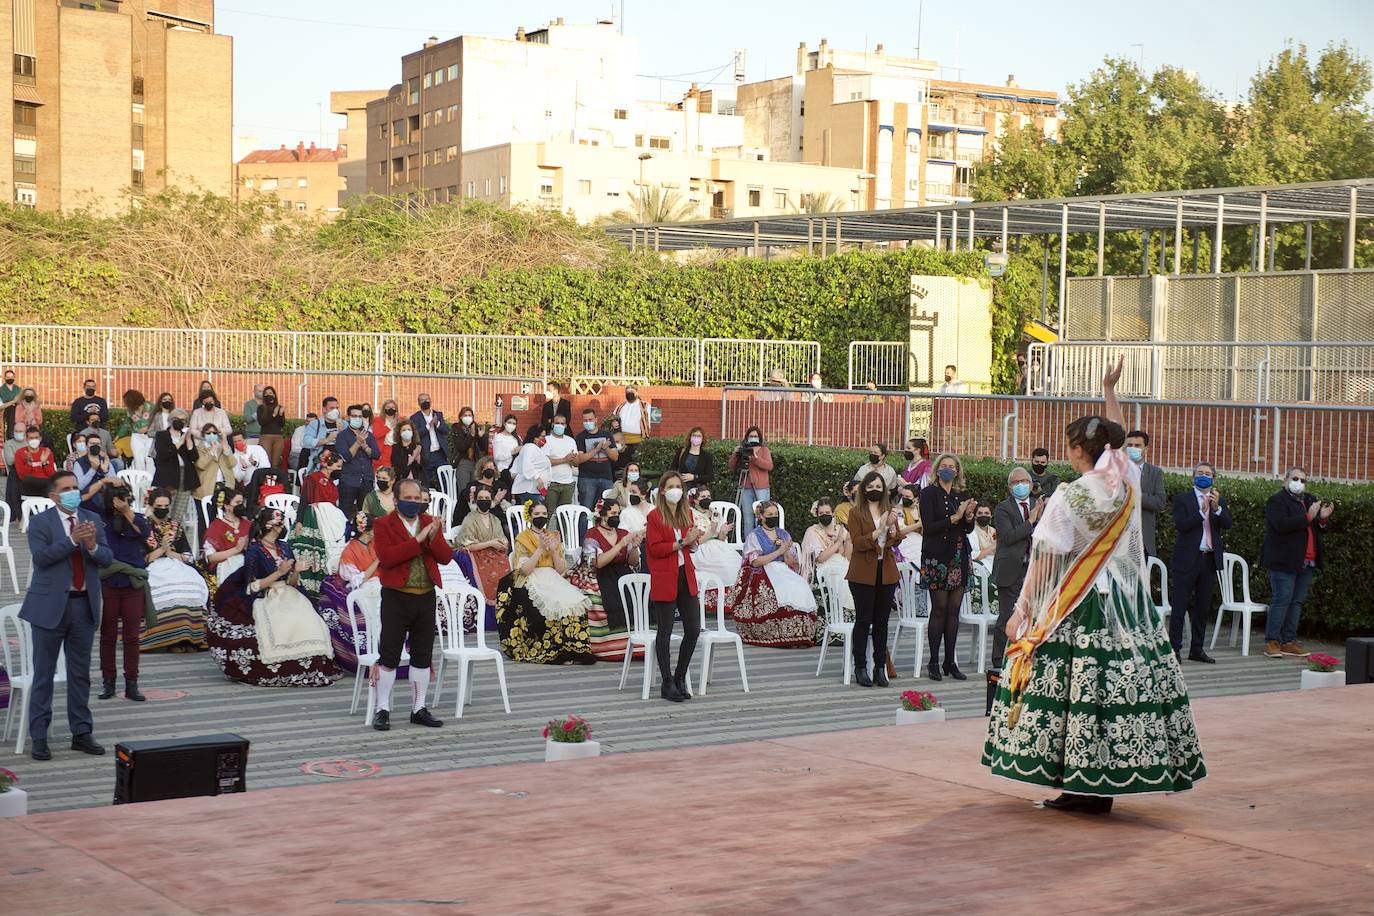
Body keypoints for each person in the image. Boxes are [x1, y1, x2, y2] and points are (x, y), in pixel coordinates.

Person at [984, 357, 1206, 813]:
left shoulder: (1070, 495)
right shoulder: (1124, 478)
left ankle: (1076, 784)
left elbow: (1045, 562)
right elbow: (1118, 435)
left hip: (1079, 602)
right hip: (1127, 602)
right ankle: (1101, 787)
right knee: (1118, 687)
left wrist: (1022, 611)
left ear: (1076, 451)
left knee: (1073, 692)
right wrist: (1109, 390)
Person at [20, 471, 113, 760]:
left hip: (83, 605)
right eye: (67, 488)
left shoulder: (92, 518)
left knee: (80, 674)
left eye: (76, 487)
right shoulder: (40, 522)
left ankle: (82, 733)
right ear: (54, 496)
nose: (74, 492)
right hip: (49, 606)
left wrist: (92, 546)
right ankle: (39, 737)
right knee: (44, 674)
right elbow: (41, 559)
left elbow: (107, 558)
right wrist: (72, 541)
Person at [206, 506, 339, 688]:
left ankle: (311, 665)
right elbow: (251, 586)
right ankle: (285, 666)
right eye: (279, 522)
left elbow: (292, 582)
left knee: (309, 620)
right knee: (282, 624)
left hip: (289, 592)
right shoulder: (255, 550)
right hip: (266, 595)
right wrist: (279, 573)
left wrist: (296, 571)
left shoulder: (284, 546)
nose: (282, 526)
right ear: (269, 525)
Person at [369, 479, 450, 728]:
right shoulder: (383, 524)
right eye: (409, 498)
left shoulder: (428, 523)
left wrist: (434, 537)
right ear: (395, 499)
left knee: (422, 655)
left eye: (418, 499)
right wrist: (419, 540)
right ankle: (382, 708)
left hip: (425, 596)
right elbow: (388, 558)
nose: (414, 502)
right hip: (396, 596)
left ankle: (419, 708)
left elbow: (445, 558)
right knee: (390, 655)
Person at [495, 500, 595, 665]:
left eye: (543, 514)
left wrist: (554, 550)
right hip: (532, 578)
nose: (541, 517)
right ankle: (555, 650)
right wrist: (541, 548)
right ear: (530, 516)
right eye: (537, 514)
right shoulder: (523, 538)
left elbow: (561, 569)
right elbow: (524, 570)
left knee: (572, 602)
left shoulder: (552, 535)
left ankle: (573, 648)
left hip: (552, 577)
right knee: (549, 606)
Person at [1260, 467, 1332, 660]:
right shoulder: (1277, 501)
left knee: (1296, 602)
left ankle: (1289, 641)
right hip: (1284, 561)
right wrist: (1309, 516)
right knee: (1281, 600)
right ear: (1285, 480)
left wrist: (1322, 519)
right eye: (1295, 478)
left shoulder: (1310, 499)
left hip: (1307, 561)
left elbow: (1318, 528)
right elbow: (1281, 525)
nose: (1299, 483)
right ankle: (1272, 641)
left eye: (1303, 480)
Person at [727, 499, 819, 648]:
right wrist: (779, 551)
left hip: (782, 568)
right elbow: (755, 562)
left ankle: (798, 633)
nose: (773, 517)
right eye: (769, 514)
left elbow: (791, 562)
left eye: (775, 514)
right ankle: (778, 633)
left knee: (799, 585)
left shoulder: (783, 534)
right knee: (780, 589)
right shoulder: (755, 535)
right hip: (763, 569)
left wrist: (787, 553)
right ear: (761, 517)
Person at [644, 472, 702, 701]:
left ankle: (680, 676)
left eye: (679, 486)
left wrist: (694, 542)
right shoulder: (655, 516)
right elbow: (655, 549)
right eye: (671, 486)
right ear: (662, 490)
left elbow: (691, 547)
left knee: (693, 629)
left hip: (684, 574)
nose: (676, 490)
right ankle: (667, 682)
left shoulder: (686, 513)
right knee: (665, 631)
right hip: (665, 575)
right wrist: (681, 543)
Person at [919, 452, 977, 681]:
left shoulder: (961, 495)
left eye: (951, 466)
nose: (947, 469)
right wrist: (956, 517)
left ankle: (950, 661)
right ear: (937, 469)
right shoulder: (928, 493)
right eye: (943, 465)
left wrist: (969, 517)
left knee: (954, 611)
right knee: (940, 608)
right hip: (937, 557)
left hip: (959, 555)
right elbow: (929, 526)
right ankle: (933, 660)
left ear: (957, 470)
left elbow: (968, 529)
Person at [1168, 461, 1231, 664]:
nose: (1203, 476)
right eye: (1200, 473)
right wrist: (1201, 512)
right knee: (1179, 606)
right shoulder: (1182, 499)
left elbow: (1228, 524)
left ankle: (1197, 649)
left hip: (1208, 559)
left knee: (1203, 607)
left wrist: (1216, 509)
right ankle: (1174, 649)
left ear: (1213, 478)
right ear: (1193, 477)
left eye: (1208, 473)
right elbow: (1181, 525)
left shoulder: (1218, 501)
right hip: (1186, 559)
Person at [95, 480, 151, 703]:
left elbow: (142, 533)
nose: (121, 501)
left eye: (125, 497)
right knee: (107, 635)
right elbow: (84, 497)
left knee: (131, 637)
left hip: (131, 583)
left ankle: (132, 684)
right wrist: (104, 482)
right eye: (117, 497)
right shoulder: (101, 519)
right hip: (109, 581)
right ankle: (108, 682)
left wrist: (127, 511)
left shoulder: (136, 517)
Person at [844, 472, 901, 687]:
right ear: (864, 489)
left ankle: (880, 667)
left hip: (886, 571)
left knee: (882, 622)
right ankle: (860, 666)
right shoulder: (856, 513)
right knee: (863, 620)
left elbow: (895, 542)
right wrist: (881, 529)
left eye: (879, 485)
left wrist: (893, 529)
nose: (875, 489)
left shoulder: (889, 511)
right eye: (871, 486)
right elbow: (858, 543)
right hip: (863, 573)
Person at [141, 488, 210, 653]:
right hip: (154, 566)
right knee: (168, 591)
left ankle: (191, 638)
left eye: (166, 505)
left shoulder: (174, 525)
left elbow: (186, 554)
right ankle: (171, 639)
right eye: (159, 505)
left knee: (192, 585)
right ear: (151, 505)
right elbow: (141, 558)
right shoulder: (143, 526)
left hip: (176, 563)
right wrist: (161, 550)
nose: (162, 509)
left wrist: (172, 553)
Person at [580, 497, 644, 662]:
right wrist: (621, 544)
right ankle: (612, 647)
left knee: (639, 593)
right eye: (613, 513)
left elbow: (633, 562)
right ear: (602, 515)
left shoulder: (623, 533)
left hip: (621, 571)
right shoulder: (591, 535)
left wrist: (635, 546)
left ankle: (640, 645)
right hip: (600, 573)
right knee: (610, 597)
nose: (617, 516)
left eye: (618, 513)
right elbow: (597, 563)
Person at [318, 510, 382, 672]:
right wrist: (378, 560)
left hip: (381, 584)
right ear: (366, 531)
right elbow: (356, 581)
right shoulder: (350, 550)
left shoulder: (376, 544)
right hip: (363, 588)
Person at [991, 468, 1043, 665]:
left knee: (1031, 616)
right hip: (1010, 569)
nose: (1020, 485)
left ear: (1031, 485)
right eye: (1015, 482)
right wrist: (1031, 521)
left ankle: (1025, 657)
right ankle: (998, 661)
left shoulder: (1037, 505)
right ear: (1010, 487)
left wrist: (1041, 518)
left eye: (1024, 481)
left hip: (1033, 569)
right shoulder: (1003, 508)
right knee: (1007, 617)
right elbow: (1008, 537)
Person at [455, 484, 511, 624]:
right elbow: (467, 545)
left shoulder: (495, 519)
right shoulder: (470, 518)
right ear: (476, 500)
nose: (484, 500)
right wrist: (490, 543)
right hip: (477, 553)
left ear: (491, 500)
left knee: (505, 570)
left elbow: (502, 540)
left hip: (494, 554)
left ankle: (504, 614)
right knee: (487, 575)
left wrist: (502, 545)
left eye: (486, 498)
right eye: (481, 498)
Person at [688, 486, 740, 610]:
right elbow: (696, 541)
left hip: (719, 546)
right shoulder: (691, 514)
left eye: (708, 497)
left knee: (737, 564)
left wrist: (722, 531)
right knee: (724, 567)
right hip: (702, 548)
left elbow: (721, 538)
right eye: (703, 497)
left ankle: (734, 601)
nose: (707, 499)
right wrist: (712, 531)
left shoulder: (715, 512)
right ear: (695, 500)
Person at [800, 498, 854, 613]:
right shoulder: (812, 531)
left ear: (833, 513)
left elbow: (848, 557)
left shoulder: (840, 529)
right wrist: (839, 543)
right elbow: (820, 558)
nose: (824, 515)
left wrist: (848, 541)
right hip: (824, 567)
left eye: (827, 513)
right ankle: (841, 617)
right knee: (841, 577)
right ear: (817, 514)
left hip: (842, 563)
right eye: (821, 513)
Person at [152, 410, 198, 528]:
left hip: (186, 476)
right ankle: (162, 536)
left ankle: (176, 537)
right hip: (168, 477)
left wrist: (188, 442)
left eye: (183, 420)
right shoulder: (161, 435)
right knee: (167, 509)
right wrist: (179, 443)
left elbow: (194, 457)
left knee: (179, 512)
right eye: (177, 419)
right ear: (171, 420)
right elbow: (163, 455)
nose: (179, 422)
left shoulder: (187, 436)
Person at [1125, 430, 1166, 558]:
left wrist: (1135, 495)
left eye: (1137, 446)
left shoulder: (1155, 473)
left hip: (1144, 540)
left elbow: (1159, 502)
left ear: (1145, 449)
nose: (1133, 448)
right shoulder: (1118, 471)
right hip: (1120, 538)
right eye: (1130, 445)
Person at [335, 404, 379, 518]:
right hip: (349, 480)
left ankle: (361, 535)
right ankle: (344, 535)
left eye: (360, 416)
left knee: (365, 515)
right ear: (349, 417)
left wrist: (365, 446)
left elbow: (376, 454)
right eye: (354, 416)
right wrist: (358, 442)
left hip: (366, 480)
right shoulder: (342, 436)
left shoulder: (368, 435)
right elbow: (347, 457)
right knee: (344, 513)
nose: (357, 419)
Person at [573, 407, 618, 517]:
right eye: (585, 420)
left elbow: (615, 457)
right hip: (587, 479)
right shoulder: (580, 437)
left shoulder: (607, 436)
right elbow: (579, 459)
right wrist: (597, 449)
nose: (588, 422)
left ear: (596, 420)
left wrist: (606, 449)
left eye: (590, 419)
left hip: (606, 478)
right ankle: (585, 533)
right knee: (586, 511)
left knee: (607, 510)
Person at [729, 426, 773, 536]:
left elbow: (769, 466)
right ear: (747, 437)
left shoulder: (764, 450)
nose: (753, 438)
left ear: (759, 438)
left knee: (761, 517)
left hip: (761, 488)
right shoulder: (743, 449)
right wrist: (735, 454)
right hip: (745, 487)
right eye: (751, 436)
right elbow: (732, 466)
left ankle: (762, 541)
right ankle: (749, 543)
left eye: (755, 436)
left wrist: (755, 457)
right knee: (748, 518)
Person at [451, 406, 489, 513]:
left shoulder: (476, 427)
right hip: (463, 462)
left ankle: (474, 514)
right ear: (460, 417)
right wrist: (471, 435)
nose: (468, 418)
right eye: (465, 415)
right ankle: (462, 514)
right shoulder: (456, 428)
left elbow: (483, 448)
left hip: (475, 463)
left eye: (470, 415)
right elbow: (461, 447)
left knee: (475, 491)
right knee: (464, 491)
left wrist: (481, 437)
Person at [410, 392, 450, 488]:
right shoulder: (415, 418)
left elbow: (446, 430)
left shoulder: (438, 414)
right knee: (425, 483)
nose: (425, 401)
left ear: (430, 401)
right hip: (425, 455)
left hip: (439, 454)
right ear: (418, 403)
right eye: (422, 400)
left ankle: (444, 501)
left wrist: (438, 424)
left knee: (443, 482)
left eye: (427, 399)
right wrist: (429, 425)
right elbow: (416, 434)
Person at [541, 414, 577, 513]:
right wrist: (565, 459)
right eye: (557, 423)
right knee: (548, 513)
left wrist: (573, 459)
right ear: (552, 424)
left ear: (566, 425)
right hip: (551, 483)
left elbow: (576, 463)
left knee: (564, 515)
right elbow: (545, 462)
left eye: (562, 423)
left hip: (568, 484)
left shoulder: (571, 441)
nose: (560, 425)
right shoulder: (546, 440)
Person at [194, 423, 237, 504]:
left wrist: (225, 446)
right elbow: (201, 465)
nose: (211, 435)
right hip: (207, 488)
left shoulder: (223, 447)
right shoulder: (199, 449)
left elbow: (232, 463)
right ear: (203, 435)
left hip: (226, 487)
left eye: (214, 433)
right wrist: (211, 452)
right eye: (208, 433)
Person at [511, 424, 551, 505]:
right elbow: (527, 464)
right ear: (535, 437)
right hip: (530, 490)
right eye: (542, 436)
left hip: (535, 490)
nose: (544, 439)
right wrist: (538, 478)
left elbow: (515, 469)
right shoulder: (530, 447)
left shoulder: (532, 448)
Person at [301, 397, 343, 473]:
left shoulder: (344, 424)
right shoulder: (314, 424)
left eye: (337, 408)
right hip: (320, 466)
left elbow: (350, 443)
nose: (335, 411)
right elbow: (306, 442)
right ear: (324, 409)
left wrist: (342, 432)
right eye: (332, 408)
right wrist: (326, 440)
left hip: (340, 466)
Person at [121, 389, 153, 469]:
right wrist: (117, 437)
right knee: (138, 459)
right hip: (137, 436)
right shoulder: (130, 410)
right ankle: (139, 479)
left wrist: (148, 428)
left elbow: (157, 419)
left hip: (150, 436)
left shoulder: (150, 406)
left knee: (149, 459)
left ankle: (150, 479)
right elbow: (126, 425)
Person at [257, 386, 288, 470]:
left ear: (274, 395)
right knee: (266, 461)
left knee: (276, 463)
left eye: (270, 393)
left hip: (278, 437)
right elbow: (262, 422)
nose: (268, 395)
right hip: (266, 436)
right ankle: (265, 481)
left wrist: (280, 414)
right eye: (266, 394)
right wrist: (273, 415)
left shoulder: (279, 407)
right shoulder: (261, 408)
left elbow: (281, 424)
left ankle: (274, 481)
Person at [491, 415, 522, 494]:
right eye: (509, 422)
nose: (511, 425)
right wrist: (511, 453)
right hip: (502, 471)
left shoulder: (517, 438)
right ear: (504, 424)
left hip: (515, 472)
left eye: (514, 423)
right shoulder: (498, 437)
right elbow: (497, 456)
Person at [616, 386, 650, 452]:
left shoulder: (645, 405)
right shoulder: (620, 406)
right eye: (627, 392)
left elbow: (651, 423)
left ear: (637, 393)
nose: (629, 393)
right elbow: (612, 420)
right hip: (622, 442)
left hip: (639, 442)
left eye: (631, 391)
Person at [371, 399, 399, 472]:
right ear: (384, 409)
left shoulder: (400, 420)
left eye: (393, 407)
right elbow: (376, 434)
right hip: (384, 450)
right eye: (388, 407)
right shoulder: (378, 420)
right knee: (384, 472)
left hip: (397, 449)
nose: (391, 409)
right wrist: (389, 427)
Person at [971, 501, 996, 574]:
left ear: (991, 515)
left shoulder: (993, 530)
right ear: (975, 516)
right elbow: (974, 556)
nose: (983, 515)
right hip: (979, 568)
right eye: (980, 513)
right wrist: (994, 546)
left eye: (986, 513)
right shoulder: (972, 531)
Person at [0, 368, 19, 436]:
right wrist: (13, 401)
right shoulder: (1, 389)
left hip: (17, 410)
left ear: (14, 377)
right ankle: (10, 434)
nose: (10, 378)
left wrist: (12, 401)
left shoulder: (18, 388)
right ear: (4, 378)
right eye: (8, 377)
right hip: (6, 411)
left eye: (11, 377)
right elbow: (4, 400)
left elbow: (20, 399)